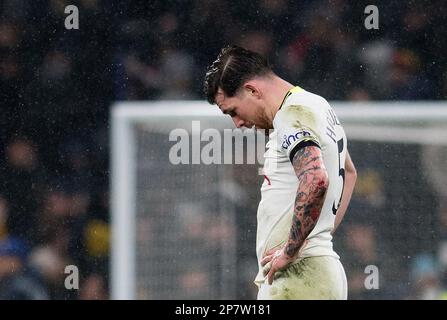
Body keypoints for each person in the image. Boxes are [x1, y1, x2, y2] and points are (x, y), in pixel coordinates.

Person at [203, 45, 357, 299]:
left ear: (252, 90)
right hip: (316, 270)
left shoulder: (290, 114)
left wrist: (291, 250)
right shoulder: (317, 105)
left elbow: (316, 179)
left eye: (232, 111)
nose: (238, 123)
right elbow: (349, 173)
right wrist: (318, 236)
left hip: (299, 277)